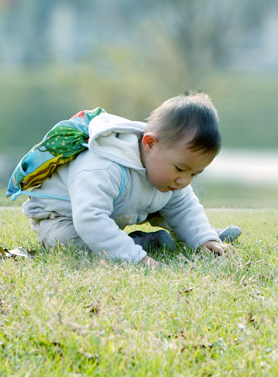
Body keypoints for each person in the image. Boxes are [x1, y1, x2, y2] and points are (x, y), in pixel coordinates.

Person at [20, 91, 241, 268]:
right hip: (61, 217)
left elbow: (184, 206)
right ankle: (140, 243)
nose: (184, 181)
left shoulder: (168, 174)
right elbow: (90, 218)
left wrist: (204, 238)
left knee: (173, 207)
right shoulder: (105, 166)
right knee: (69, 243)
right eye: (180, 169)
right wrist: (136, 258)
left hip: (120, 209)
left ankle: (205, 236)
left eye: (194, 174)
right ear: (150, 143)